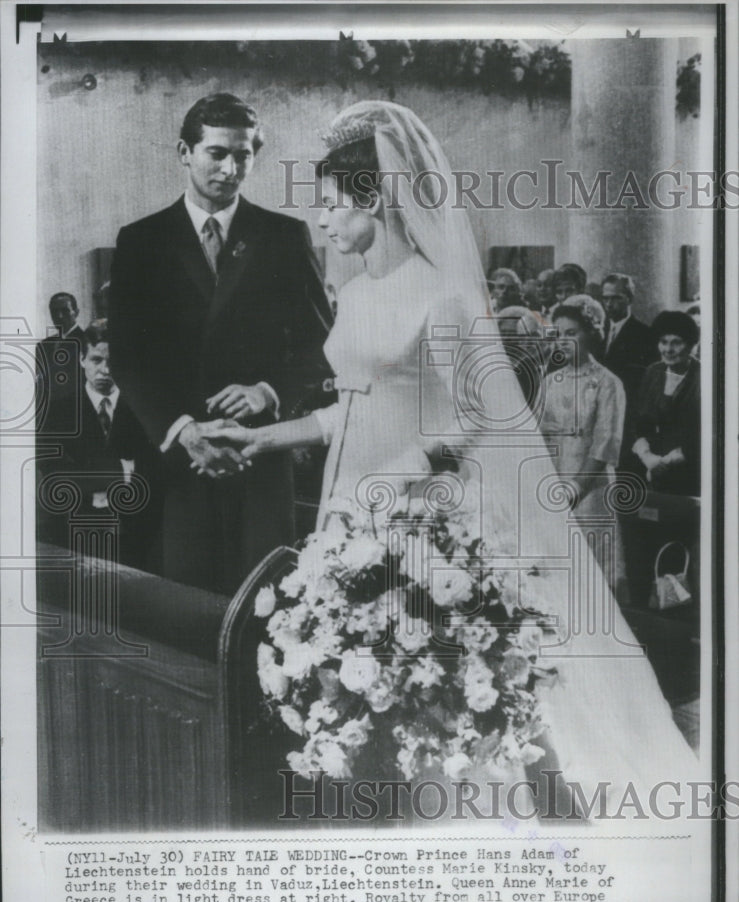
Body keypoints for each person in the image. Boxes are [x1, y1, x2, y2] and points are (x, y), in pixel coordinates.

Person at [203, 100, 697, 806]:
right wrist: (262, 436)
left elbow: (483, 411)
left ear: (375, 201)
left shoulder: (443, 294)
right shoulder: (354, 293)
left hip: (425, 509)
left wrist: (403, 468)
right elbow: (350, 406)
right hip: (353, 506)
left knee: (438, 681)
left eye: (331, 205)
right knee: (364, 671)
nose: (321, 220)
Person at [108, 93, 333, 594]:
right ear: (184, 151)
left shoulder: (284, 235)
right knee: (177, 603)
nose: (231, 168)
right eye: (217, 153)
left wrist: (269, 390)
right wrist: (184, 430)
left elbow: (321, 343)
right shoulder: (142, 241)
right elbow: (127, 355)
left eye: (244, 154)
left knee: (264, 604)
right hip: (174, 458)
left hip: (258, 455)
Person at [37, 322, 163, 570]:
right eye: (96, 360)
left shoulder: (146, 411)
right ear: (82, 359)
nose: (105, 370)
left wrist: (93, 480)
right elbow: (54, 475)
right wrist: (122, 472)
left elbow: (155, 471)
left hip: (140, 537)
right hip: (76, 535)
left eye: (112, 362)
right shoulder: (57, 412)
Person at [538, 295, 627, 595]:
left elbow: (605, 444)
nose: (563, 341)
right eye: (558, 334)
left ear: (591, 334)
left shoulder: (608, 383)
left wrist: (575, 488)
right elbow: (539, 436)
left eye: (572, 333)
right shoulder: (550, 381)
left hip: (590, 487)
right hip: (552, 482)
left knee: (590, 572)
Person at [630, 311, 701, 497]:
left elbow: (705, 435)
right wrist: (647, 456)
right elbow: (640, 422)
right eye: (663, 342)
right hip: (653, 470)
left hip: (692, 473)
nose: (668, 349)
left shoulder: (704, 376)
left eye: (676, 342)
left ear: (692, 345)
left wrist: (666, 462)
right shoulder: (653, 372)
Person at [600, 272, 657, 407]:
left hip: (627, 406)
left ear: (629, 299)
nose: (608, 304)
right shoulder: (597, 331)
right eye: (605, 298)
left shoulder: (645, 335)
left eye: (616, 298)